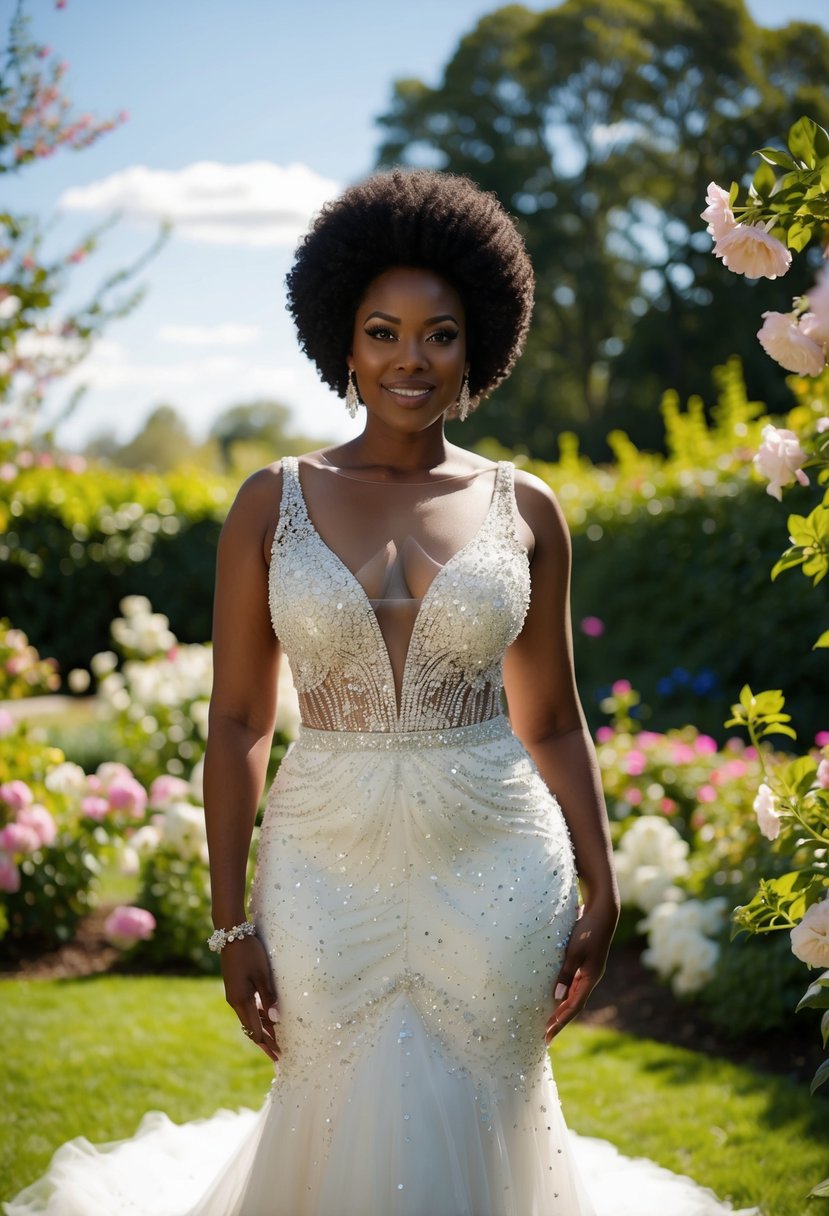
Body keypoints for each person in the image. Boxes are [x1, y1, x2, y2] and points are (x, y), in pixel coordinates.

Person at [5, 170, 760, 1216]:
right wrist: (232, 928)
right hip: (323, 864)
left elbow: (548, 715)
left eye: (439, 334)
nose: (411, 358)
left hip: (497, 858)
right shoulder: (269, 502)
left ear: (478, 343)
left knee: (489, 1111)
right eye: (383, 331)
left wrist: (602, 882)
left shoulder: (528, 507)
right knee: (332, 1101)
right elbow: (235, 723)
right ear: (342, 342)